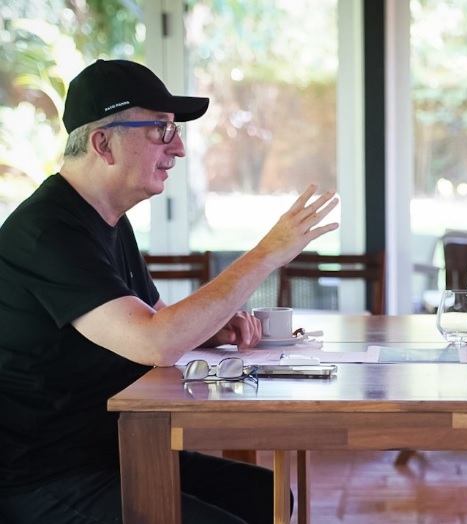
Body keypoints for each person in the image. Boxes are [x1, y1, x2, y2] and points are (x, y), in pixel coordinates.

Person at [0, 59, 339, 523]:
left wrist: (210, 330)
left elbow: (155, 316)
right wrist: (267, 254)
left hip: (112, 451)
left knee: (268, 495)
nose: (177, 148)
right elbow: (156, 341)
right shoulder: (48, 232)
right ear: (103, 143)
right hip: (46, 476)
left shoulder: (108, 221)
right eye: (160, 130)